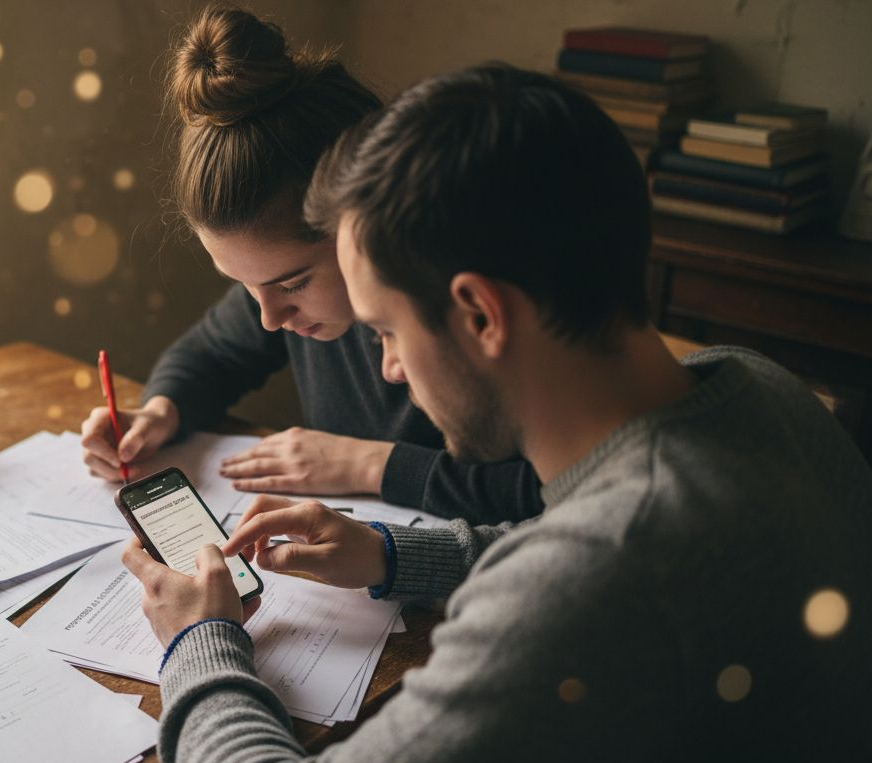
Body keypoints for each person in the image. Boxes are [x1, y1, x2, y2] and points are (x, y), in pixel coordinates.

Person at [121, 64, 872, 763]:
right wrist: (394, 555)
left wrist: (200, 641)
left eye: (386, 331)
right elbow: (574, 539)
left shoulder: (577, 595)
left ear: (481, 314)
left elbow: (585, 568)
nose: (386, 366)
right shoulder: (756, 384)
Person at [80, 6, 540, 525]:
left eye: (293, 283)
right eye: (245, 287)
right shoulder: (284, 296)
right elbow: (212, 351)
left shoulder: (468, 310)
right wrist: (161, 411)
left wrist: (369, 465)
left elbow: (559, 490)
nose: (270, 319)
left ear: (360, 223)